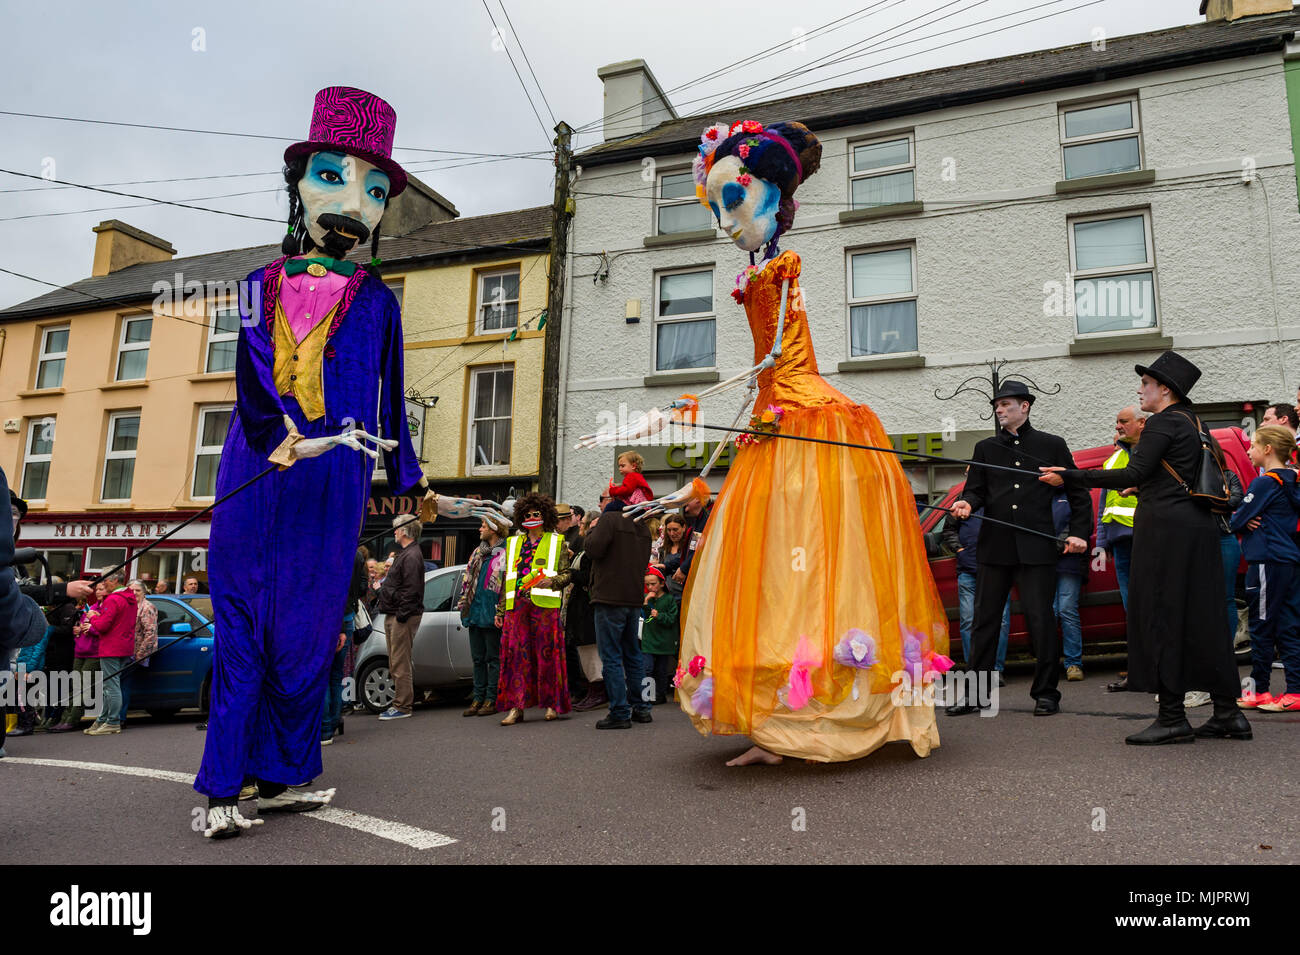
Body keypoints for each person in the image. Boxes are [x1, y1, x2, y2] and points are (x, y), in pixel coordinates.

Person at [666, 118, 951, 766]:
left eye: (731, 202)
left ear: (770, 194)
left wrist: (720, 396)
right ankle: (778, 720)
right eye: (717, 209)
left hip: (803, 413)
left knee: (811, 564)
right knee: (775, 576)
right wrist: (728, 405)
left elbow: (776, 354)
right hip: (774, 417)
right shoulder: (756, 272)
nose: (725, 222)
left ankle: (820, 713)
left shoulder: (784, 268)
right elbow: (764, 368)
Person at [195, 87, 432, 839]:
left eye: (372, 190)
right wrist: (283, 438)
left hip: (335, 483)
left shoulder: (378, 302)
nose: (354, 204)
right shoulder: (252, 288)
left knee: (307, 633)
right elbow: (254, 380)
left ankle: (285, 775)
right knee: (245, 628)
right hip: (261, 473)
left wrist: (411, 483)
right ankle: (224, 785)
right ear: (297, 183)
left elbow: (393, 398)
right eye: (333, 177)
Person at [1040, 350, 1249, 744]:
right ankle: (1228, 713)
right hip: (1199, 529)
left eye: (1146, 384)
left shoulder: (1160, 424)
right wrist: (1147, 485)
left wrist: (1069, 476)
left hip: (1166, 533)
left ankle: (1172, 717)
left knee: (1162, 615)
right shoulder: (1194, 423)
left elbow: (1134, 471)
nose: (1140, 391)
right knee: (1202, 619)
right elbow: (1170, 475)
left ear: (1165, 389)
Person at [948, 381, 1091, 717]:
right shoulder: (986, 448)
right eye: (997, 405)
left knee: (1042, 620)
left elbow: (1078, 493)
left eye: (1006, 404)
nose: (1000, 410)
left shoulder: (1051, 445)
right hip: (995, 548)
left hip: (1036, 546)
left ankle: (1046, 693)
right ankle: (977, 694)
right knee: (984, 621)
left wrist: (1079, 533)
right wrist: (966, 503)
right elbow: (976, 490)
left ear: (1025, 406)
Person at [1230, 425, 1300, 713]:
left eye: (1254, 446)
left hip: (1266, 561)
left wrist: (1244, 520)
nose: (1249, 451)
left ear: (1268, 449)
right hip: (1289, 561)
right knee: (1289, 626)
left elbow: (1234, 521)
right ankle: (1295, 691)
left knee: (1260, 626)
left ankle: (1259, 690)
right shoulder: (1291, 480)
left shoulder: (1263, 484)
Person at [493, 494, 571, 725]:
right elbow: (507, 577)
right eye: (527, 515)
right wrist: (500, 610)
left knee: (547, 656)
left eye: (535, 514)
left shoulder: (557, 542)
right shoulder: (514, 543)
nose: (531, 518)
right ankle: (516, 708)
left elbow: (567, 575)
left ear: (544, 515)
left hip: (545, 608)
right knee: (517, 658)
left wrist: (553, 582)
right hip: (517, 608)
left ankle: (552, 705)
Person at [584, 500, 652, 729]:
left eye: (603, 499)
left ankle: (619, 712)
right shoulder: (642, 525)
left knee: (611, 656)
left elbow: (593, 549)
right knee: (633, 654)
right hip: (632, 597)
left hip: (609, 597)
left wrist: (592, 529)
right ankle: (641, 708)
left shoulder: (609, 520)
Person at [940, 491, 1012, 683]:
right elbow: (948, 530)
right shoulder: (961, 500)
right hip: (969, 570)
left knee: (1002, 621)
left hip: (998, 569)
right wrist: (960, 550)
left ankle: (995, 670)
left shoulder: (1002, 496)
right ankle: (975, 672)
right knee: (969, 621)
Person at [375, 517, 426, 721]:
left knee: (399, 661)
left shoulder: (411, 555)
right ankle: (403, 701)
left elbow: (412, 591)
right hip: (396, 613)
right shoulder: (407, 554)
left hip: (401, 615)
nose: (393, 531)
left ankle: (403, 705)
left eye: (396, 528)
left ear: (404, 531)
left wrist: (402, 615)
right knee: (396, 660)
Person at [456, 519, 506, 717]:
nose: (480, 529)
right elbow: (467, 581)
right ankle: (478, 697)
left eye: (483, 526)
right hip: (474, 612)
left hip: (491, 612)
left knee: (493, 658)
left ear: (494, 529)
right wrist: (464, 607)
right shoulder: (478, 551)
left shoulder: (505, 551)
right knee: (477, 659)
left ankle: (491, 699)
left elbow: (505, 585)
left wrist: (500, 611)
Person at [79, 572, 137, 736]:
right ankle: (103, 719)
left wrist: (92, 617)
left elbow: (103, 626)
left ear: (115, 580)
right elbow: (117, 620)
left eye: (105, 580)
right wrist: (100, 616)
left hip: (111, 647)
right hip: (125, 646)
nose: (103, 584)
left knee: (111, 686)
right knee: (112, 685)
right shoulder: (129, 598)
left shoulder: (112, 599)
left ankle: (112, 721)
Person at [49, 579, 110, 733]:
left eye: (102, 589)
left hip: (94, 652)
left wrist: (92, 627)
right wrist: (78, 630)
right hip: (80, 650)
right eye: (97, 589)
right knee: (74, 685)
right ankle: (64, 718)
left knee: (84, 687)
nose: (98, 592)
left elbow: (105, 630)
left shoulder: (108, 609)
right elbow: (80, 628)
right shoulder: (91, 608)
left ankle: (72, 719)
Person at [322, 547, 367, 743]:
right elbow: (363, 587)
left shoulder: (330, 550)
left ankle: (325, 728)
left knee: (323, 674)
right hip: (348, 616)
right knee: (336, 674)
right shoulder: (356, 554)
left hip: (329, 619)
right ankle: (333, 721)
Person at [1052, 491, 1091, 681]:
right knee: (1047, 612)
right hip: (1043, 563)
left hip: (1070, 561)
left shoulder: (1075, 494)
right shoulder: (1037, 493)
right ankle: (1048, 662)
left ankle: (1073, 663)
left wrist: (1057, 544)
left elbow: (1082, 523)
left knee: (1066, 610)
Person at [570, 512, 607, 711]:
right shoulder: (582, 550)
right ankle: (593, 690)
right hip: (580, 607)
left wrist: (569, 574)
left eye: (584, 524)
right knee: (585, 650)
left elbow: (588, 577)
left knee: (592, 651)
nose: (582, 527)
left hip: (587, 606)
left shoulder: (592, 552)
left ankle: (598, 691)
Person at [117, 579, 158, 724]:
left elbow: (151, 633)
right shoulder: (129, 605)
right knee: (122, 683)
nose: (134, 593)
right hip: (124, 651)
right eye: (131, 590)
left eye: (138, 590)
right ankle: (119, 717)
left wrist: (140, 655)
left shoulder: (147, 607)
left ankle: (119, 717)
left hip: (135, 653)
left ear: (144, 592)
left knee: (121, 683)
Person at [641, 566, 679, 705]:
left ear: (662, 583)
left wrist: (660, 615)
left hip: (664, 641)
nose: (650, 587)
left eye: (653, 583)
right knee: (647, 668)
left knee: (661, 670)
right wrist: (646, 603)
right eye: (647, 584)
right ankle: (646, 696)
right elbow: (646, 618)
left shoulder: (669, 599)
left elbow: (672, 619)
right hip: (649, 640)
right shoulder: (646, 598)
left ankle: (660, 695)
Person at [652, 514, 693, 597]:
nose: (672, 533)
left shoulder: (689, 548)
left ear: (684, 527)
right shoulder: (663, 549)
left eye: (675, 529)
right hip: (668, 599)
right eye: (669, 530)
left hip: (686, 596)